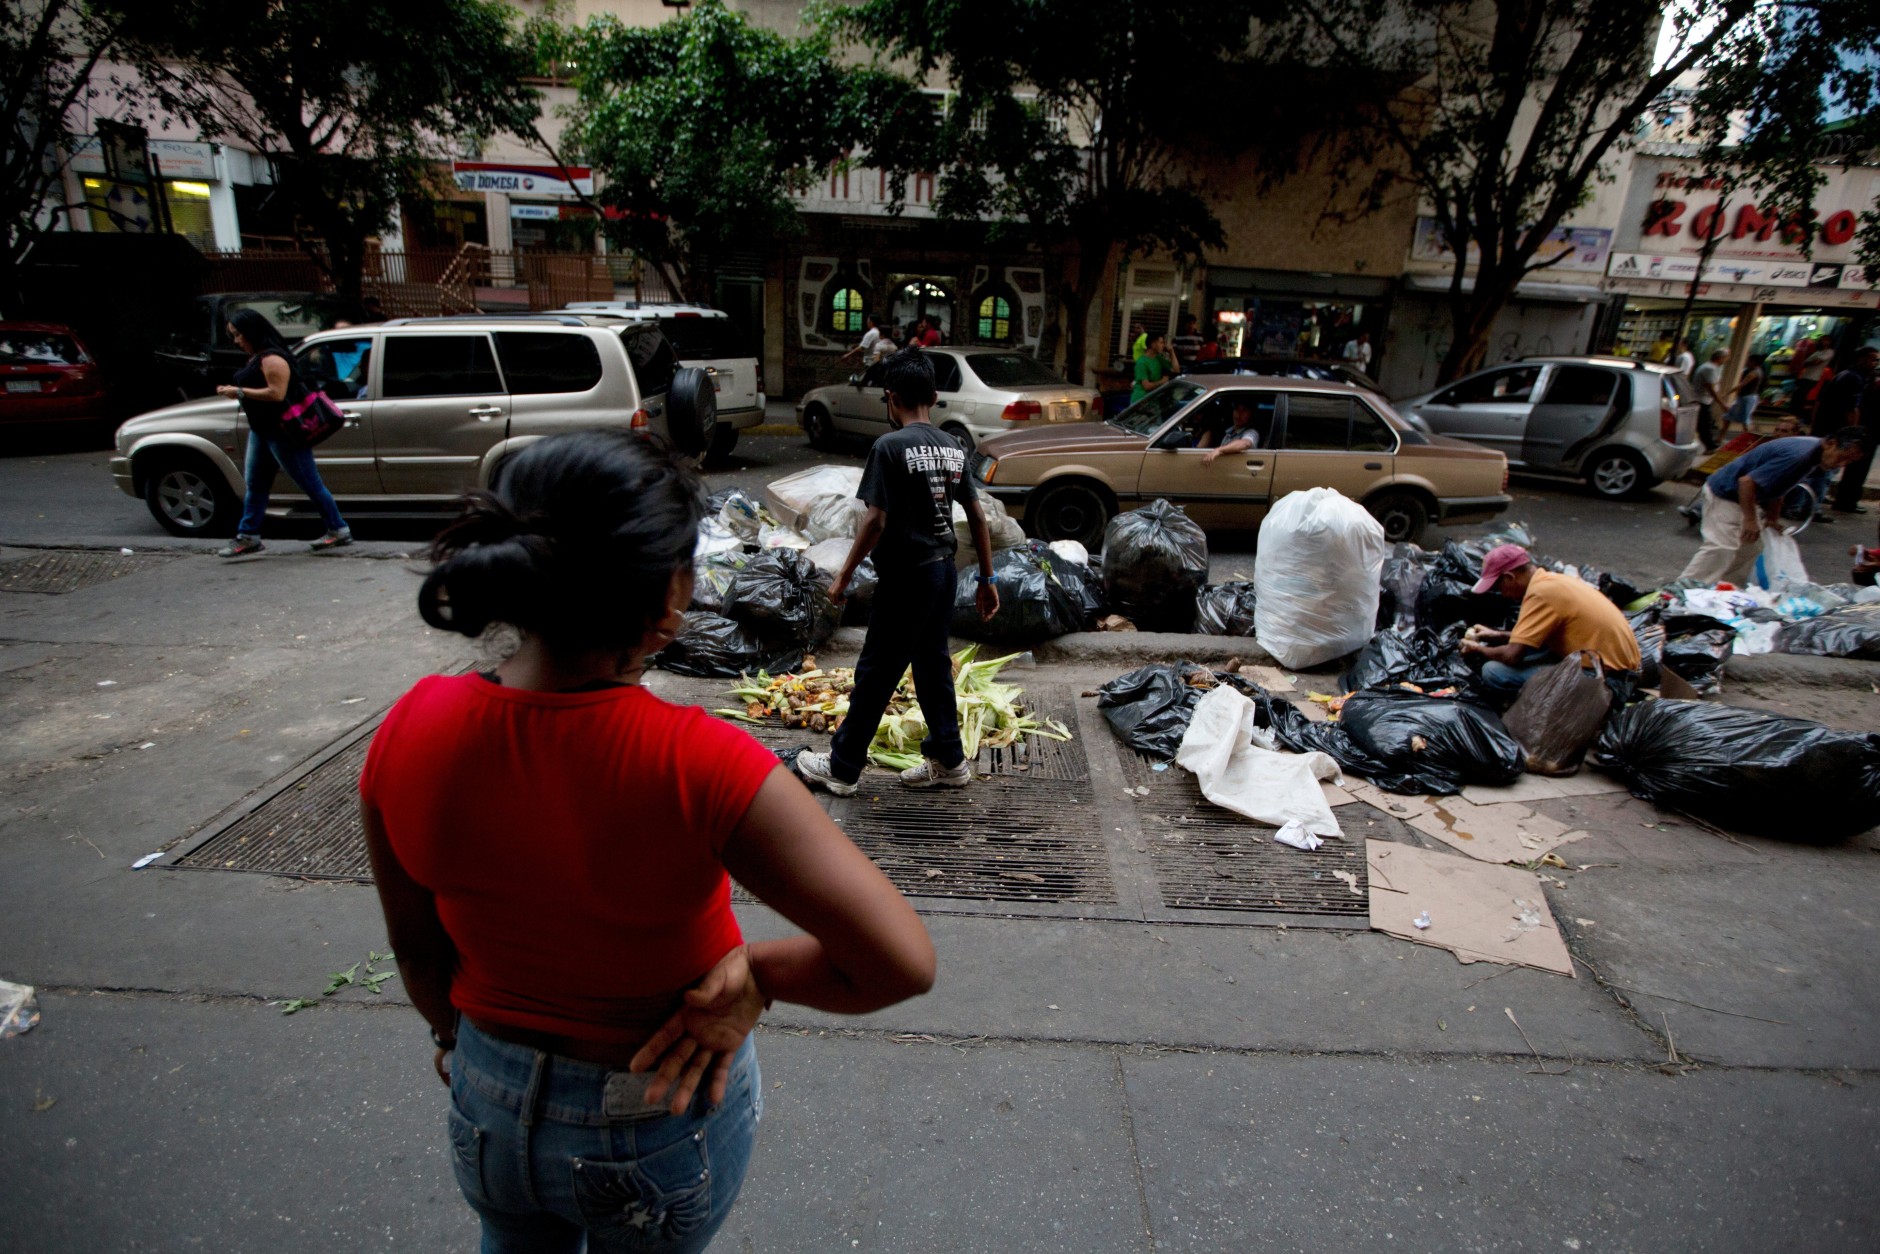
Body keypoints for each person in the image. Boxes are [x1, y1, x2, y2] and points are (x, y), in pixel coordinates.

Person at [362, 431, 936, 1252]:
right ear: (669, 602)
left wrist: (460, 1045)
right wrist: (762, 977)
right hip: (649, 1114)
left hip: (485, 1094)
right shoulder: (701, 762)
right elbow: (900, 961)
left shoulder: (410, 725)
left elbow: (417, 955)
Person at [798, 347, 999, 796]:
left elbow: (875, 520)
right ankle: (949, 760)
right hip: (944, 573)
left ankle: (842, 767)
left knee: (877, 669)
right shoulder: (952, 446)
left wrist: (843, 576)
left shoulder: (888, 446)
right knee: (930, 666)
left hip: (907, 577)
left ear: (891, 398)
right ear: (932, 395)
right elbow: (978, 517)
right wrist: (987, 580)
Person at [214, 307, 351, 558]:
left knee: (309, 482)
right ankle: (248, 536)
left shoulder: (273, 358)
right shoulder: (258, 357)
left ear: (251, 332)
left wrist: (240, 392)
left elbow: (277, 393)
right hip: (263, 431)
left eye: (238, 334)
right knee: (255, 484)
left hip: (284, 432)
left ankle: (339, 529)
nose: (236, 340)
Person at [1678, 427, 1870, 584]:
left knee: (1751, 547)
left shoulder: (1813, 457)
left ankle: (1725, 591)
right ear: (1831, 443)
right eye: (1843, 456)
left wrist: (1771, 518)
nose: (1841, 464)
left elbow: (1780, 486)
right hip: (1727, 492)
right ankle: (1682, 591)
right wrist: (1750, 519)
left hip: (1746, 496)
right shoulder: (1800, 455)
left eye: (1849, 462)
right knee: (1723, 547)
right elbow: (1746, 483)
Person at [1458, 544, 1642, 704]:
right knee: (1529, 652)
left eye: (1498, 587)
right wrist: (1497, 634)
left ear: (1510, 577)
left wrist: (1477, 649)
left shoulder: (1540, 594)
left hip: (1607, 680)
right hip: (1618, 670)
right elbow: (1538, 638)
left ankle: (1528, 711)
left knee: (1493, 672)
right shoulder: (1551, 581)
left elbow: (1512, 656)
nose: (1502, 594)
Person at [1826, 346, 1879, 514]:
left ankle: (1843, 498)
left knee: (1849, 466)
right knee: (1854, 466)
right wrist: (1855, 432)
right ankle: (1846, 500)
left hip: (1862, 429)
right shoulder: (1856, 379)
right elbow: (1854, 408)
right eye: (1873, 359)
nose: (1875, 363)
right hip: (1865, 430)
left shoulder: (1857, 377)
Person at [1692, 348, 1728, 450]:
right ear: (1720, 358)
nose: (1725, 361)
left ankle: (1709, 444)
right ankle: (1709, 445)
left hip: (1704, 400)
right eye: (1725, 358)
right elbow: (1710, 388)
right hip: (1702, 400)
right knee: (1704, 424)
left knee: (1703, 423)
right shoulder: (1710, 369)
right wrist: (1721, 403)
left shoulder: (1710, 367)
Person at [1721, 354, 1764, 437]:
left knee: (1745, 420)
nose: (1746, 362)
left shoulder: (1754, 373)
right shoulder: (1753, 371)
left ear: (1753, 362)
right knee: (1729, 416)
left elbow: (1742, 384)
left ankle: (1749, 438)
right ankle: (1721, 437)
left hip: (1748, 398)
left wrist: (1727, 393)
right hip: (1744, 397)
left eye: (1748, 360)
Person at [1130, 332, 1173, 405]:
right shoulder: (1142, 362)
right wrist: (1162, 381)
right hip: (1141, 401)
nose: (1163, 345)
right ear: (1153, 344)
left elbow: (1176, 369)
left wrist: (1171, 352)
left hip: (1152, 401)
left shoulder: (1159, 359)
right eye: (1161, 343)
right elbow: (1146, 386)